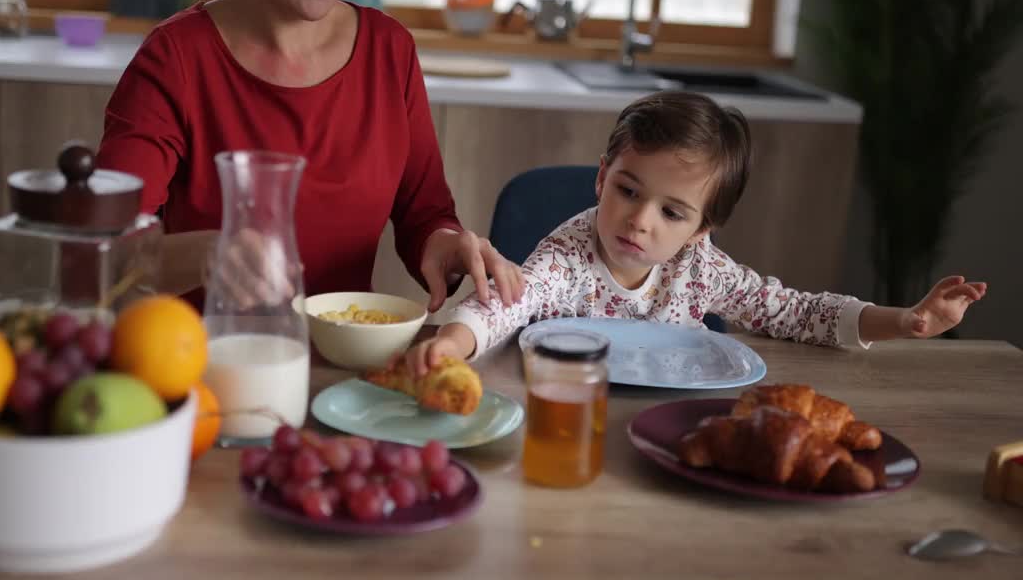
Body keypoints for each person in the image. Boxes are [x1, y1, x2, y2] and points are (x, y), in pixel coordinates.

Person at [401, 90, 988, 375]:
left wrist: (904, 320)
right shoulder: (568, 257)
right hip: (572, 416)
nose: (641, 220)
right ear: (602, 177)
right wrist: (451, 344)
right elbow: (502, 306)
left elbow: (797, 313)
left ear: (703, 227)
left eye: (672, 213)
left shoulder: (701, 268)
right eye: (627, 190)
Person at [96, 0, 523, 312]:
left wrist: (446, 246)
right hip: (202, 362)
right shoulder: (175, 59)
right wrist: (210, 252)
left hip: (345, 364)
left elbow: (424, 215)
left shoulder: (390, 50)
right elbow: (107, 251)